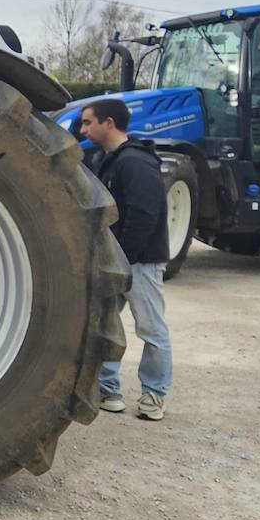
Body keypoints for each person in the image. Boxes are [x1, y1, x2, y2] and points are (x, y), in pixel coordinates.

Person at [80, 98, 173, 421]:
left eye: (87, 122)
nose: (83, 129)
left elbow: (145, 214)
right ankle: (109, 390)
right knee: (106, 323)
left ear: (109, 123)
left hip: (140, 261)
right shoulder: (104, 160)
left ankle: (154, 394)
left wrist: (124, 258)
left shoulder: (135, 162)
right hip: (116, 259)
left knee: (150, 328)